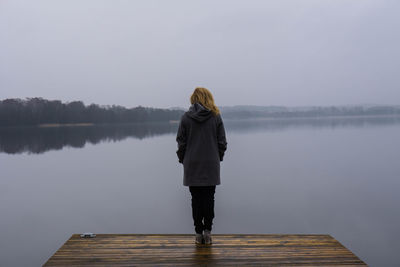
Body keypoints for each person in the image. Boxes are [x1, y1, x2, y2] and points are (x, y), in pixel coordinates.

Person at [176, 87, 228, 245]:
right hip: (211, 164)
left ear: (194, 99)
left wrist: (183, 159)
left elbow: (181, 142)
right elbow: (222, 143)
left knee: (196, 199)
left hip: (192, 164)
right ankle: (208, 232)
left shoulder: (185, 118)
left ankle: (198, 234)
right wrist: (217, 157)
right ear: (208, 98)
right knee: (209, 198)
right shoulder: (216, 117)